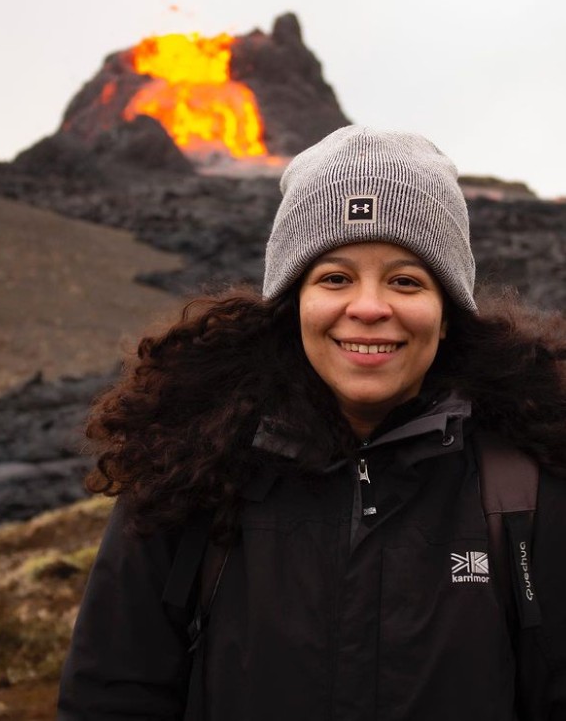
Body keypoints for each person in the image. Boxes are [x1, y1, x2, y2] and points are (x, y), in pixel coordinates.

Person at [57, 126, 566, 720]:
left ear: (448, 314)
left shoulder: (528, 484)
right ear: (292, 304)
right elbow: (113, 695)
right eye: (334, 277)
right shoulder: (193, 470)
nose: (369, 307)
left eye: (405, 280)